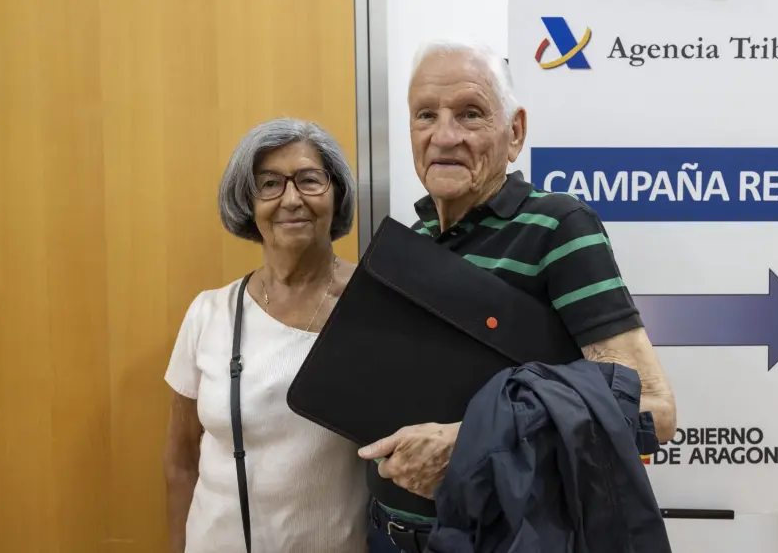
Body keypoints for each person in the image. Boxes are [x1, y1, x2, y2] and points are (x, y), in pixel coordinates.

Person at [360, 40, 678, 552]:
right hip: (385, 533)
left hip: (498, 537)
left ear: (515, 133)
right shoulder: (412, 240)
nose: (444, 135)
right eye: (426, 115)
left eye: (470, 114)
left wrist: (469, 445)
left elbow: (652, 410)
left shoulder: (558, 227)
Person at [162, 118, 369, 553]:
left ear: (337, 193)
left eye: (309, 180)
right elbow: (181, 461)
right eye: (269, 184)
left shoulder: (374, 306)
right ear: (247, 201)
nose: (291, 199)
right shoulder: (209, 313)